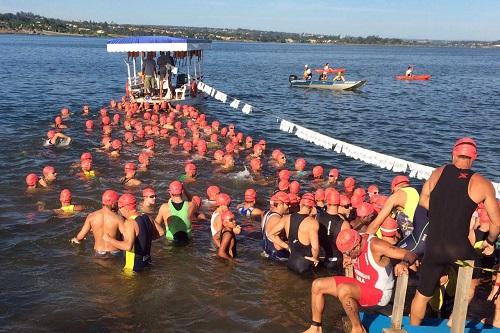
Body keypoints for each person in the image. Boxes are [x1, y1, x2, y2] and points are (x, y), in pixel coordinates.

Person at [410, 137, 500, 326]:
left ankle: (413, 327)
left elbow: (423, 201)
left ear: (453, 153)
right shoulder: (482, 183)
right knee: (471, 283)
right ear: (474, 158)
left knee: (422, 294)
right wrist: (490, 242)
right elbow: (496, 222)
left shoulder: (437, 173)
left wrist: (444, 210)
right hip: (459, 247)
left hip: (433, 245)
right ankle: (453, 321)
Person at [302, 229, 418, 333]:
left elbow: (410, 254)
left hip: (378, 294)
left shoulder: (376, 245)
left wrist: (404, 263)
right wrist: (348, 257)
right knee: (317, 284)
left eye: (348, 253)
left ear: (357, 245)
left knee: (344, 290)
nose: (347, 255)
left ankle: (358, 329)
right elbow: (351, 250)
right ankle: (316, 327)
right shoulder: (357, 238)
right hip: (360, 287)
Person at [103, 194, 162, 272]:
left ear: (125, 208)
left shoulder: (130, 223)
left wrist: (109, 239)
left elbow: (128, 246)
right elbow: (161, 232)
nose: (119, 211)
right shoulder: (147, 217)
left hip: (133, 267)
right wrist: (145, 238)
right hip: (147, 262)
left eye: (119, 208)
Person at [269, 193, 319, 274]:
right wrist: (315, 258)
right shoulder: (312, 222)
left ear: (300, 203)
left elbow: (271, 234)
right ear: (313, 207)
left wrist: (287, 247)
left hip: (291, 262)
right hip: (304, 264)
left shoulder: (286, 217)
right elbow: (315, 248)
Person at [70, 190, 124, 257]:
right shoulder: (118, 218)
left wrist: (75, 239)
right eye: (117, 203)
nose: (118, 205)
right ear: (113, 204)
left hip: (99, 252)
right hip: (115, 252)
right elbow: (126, 237)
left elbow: (80, 236)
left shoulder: (91, 216)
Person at [317, 189, 351, 271]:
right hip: (336, 260)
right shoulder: (344, 224)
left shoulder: (317, 217)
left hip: (320, 257)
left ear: (327, 202)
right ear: (339, 203)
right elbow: (347, 248)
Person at [261, 191, 291, 261]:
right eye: (287, 204)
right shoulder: (277, 219)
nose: (289, 206)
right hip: (277, 258)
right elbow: (278, 246)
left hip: (267, 253)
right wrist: (290, 245)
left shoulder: (267, 214)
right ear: (280, 204)